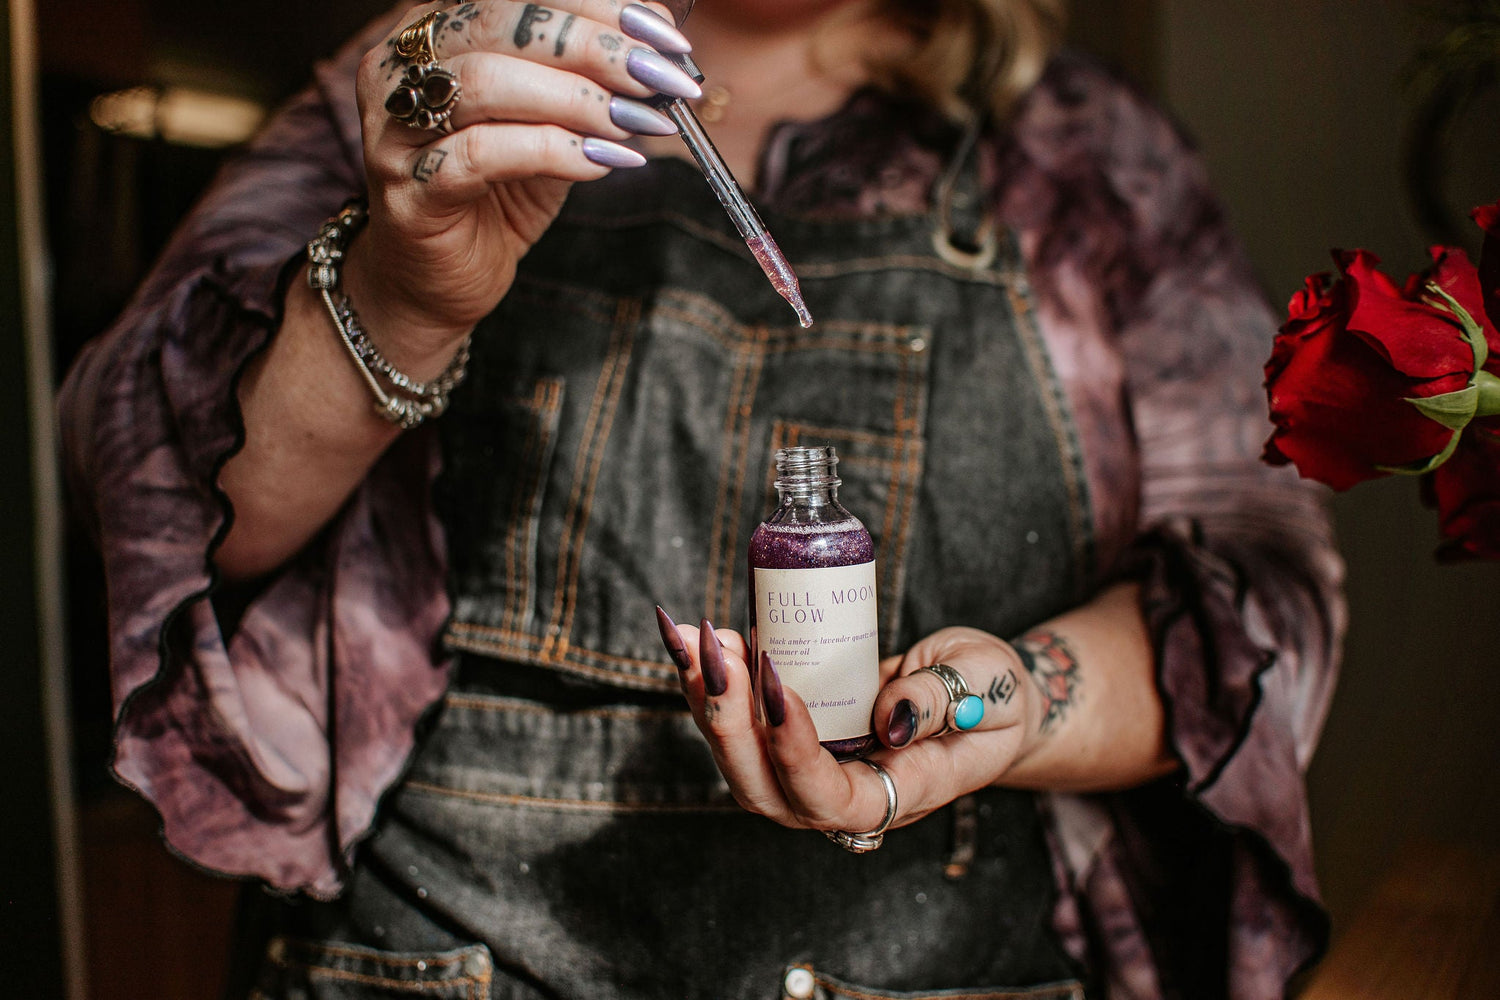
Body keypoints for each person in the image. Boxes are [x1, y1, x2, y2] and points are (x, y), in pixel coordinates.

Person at [59, 0, 1345, 996]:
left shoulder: (1082, 153)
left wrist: (1000, 703)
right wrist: (405, 287)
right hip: (434, 948)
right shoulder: (454, 74)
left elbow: (1263, 605)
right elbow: (151, 491)